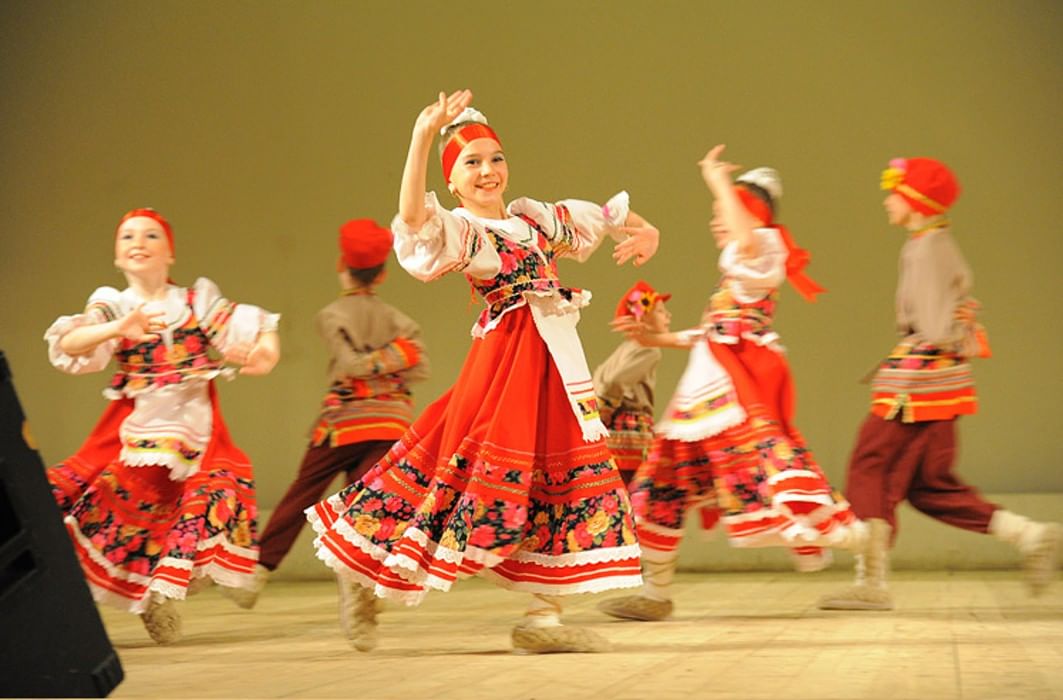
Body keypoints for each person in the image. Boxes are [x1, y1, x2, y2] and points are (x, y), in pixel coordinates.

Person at [306, 89, 660, 654]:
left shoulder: (534, 221)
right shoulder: (466, 231)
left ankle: (541, 620)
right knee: (453, 469)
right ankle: (361, 569)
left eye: (495, 158)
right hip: (506, 366)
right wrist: (423, 136)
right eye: (471, 163)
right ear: (452, 181)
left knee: (560, 475)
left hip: (555, 367)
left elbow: (606, 214)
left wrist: (644, 231)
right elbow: (413, 221)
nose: (487, 171)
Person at [599, 146, 864, 623]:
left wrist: (715, 179)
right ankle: (655, 594)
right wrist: (660, 337)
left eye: (723, 213)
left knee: (767, 475)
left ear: (750, 215)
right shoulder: (737, 272)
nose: (716, 221)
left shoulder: (764, 250)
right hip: (703, 394)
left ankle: (858, 539)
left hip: (732, 396)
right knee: (662, 483)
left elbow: (745, 242)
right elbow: (716, 332)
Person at [817, 157, 1061, 611]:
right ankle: (1031, 536)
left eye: (894, 193)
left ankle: (872, 582)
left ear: (914, 199)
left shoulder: (924, 248)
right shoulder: (937, 244)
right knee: (930, 486)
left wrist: (945, 332)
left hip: (919, 382)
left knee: (868, 462)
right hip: (945, 381)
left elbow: (931, 326)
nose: (888, 202)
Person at [44, 208, 279, 644]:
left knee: (205, 503)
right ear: (117, 256)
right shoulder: (112, 303)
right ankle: (149, 594)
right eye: (127, 236)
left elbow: (254, 327)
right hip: (137, 432)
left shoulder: (195, 301)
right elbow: (70, 344)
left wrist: (263, 353)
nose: (138, 242)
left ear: (169, 252)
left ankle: (164, 590)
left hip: (195, 431)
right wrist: (120, 326)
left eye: (151, 235)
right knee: (111, 512)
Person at [236, 218, 428, 610]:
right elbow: (418, 365)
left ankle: (259, 570)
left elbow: (351, 365)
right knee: (365, 503)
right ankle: (355, 579)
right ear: (384, 275)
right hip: (389, 422)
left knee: (302, 493)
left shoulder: (331, 315)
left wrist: (366, 363)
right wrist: (394, 359)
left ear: (341, 266)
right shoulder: (398, 320)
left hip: (342, 425)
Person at [592, 281, 670, 484]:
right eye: (661, 311)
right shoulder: (650, 349)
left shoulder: (625, 349)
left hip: (614, 435)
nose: (668, 317)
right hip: (627, 440)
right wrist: (603, 412)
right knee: (631, 493)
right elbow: (614, 382)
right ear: (643, 316)